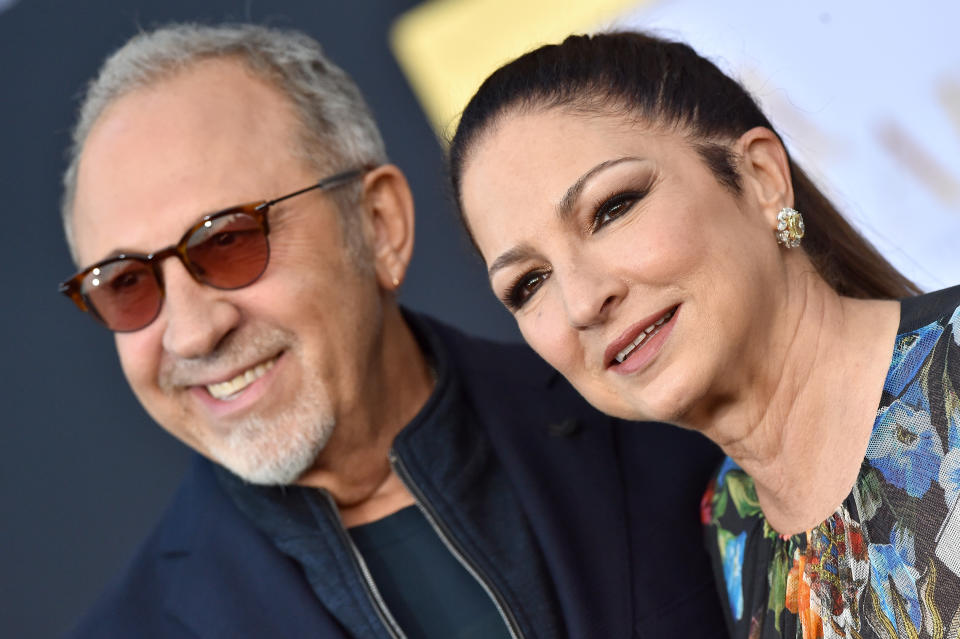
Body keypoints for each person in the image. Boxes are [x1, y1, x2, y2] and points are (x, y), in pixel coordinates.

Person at [57, 23, 727, 639]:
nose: (192, 333)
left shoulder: (670, 421)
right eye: (126, 283)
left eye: (229, 240)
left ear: (378, 225)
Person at [448, 30, 960, 639]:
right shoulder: (731, 527)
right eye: (528, 284)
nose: (582, 301)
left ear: (762, 179)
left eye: (612, 208)